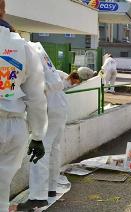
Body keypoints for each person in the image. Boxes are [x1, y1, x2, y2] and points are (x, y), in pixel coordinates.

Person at [0, 1, 48, 211]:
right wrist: (37, 136)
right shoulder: (23, 47)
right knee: (2, 187)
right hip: (14, 128)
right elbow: (36, 97)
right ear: (3, 10)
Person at [16, 43, 68, 210]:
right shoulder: (34, 47)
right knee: (54, 147)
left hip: (47, 103)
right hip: (59, 101)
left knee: (39, 150)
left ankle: (38, 197)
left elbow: (29, 86)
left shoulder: (22, 50)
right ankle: (51, 188)